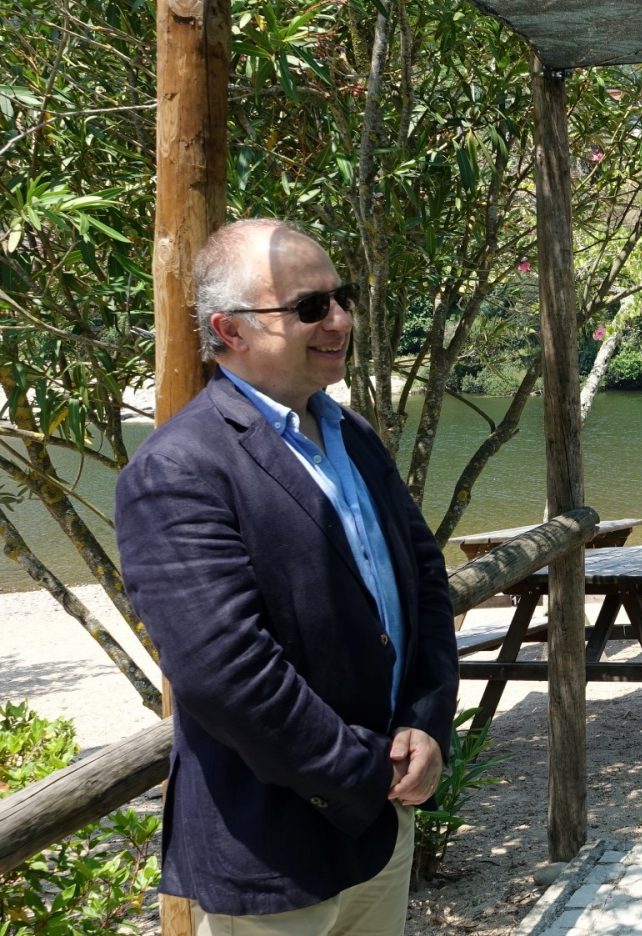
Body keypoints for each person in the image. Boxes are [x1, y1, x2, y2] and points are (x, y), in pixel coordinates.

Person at [117, 219, 459, 933]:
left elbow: (423, 582)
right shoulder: (179, 469)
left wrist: (427, 724)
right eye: (309, 307)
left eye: (342, 296)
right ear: (229, 330)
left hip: (381, 826)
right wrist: (367, 773)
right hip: (272, 854)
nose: (339, 319)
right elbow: (226, 674)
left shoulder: (351, 434)